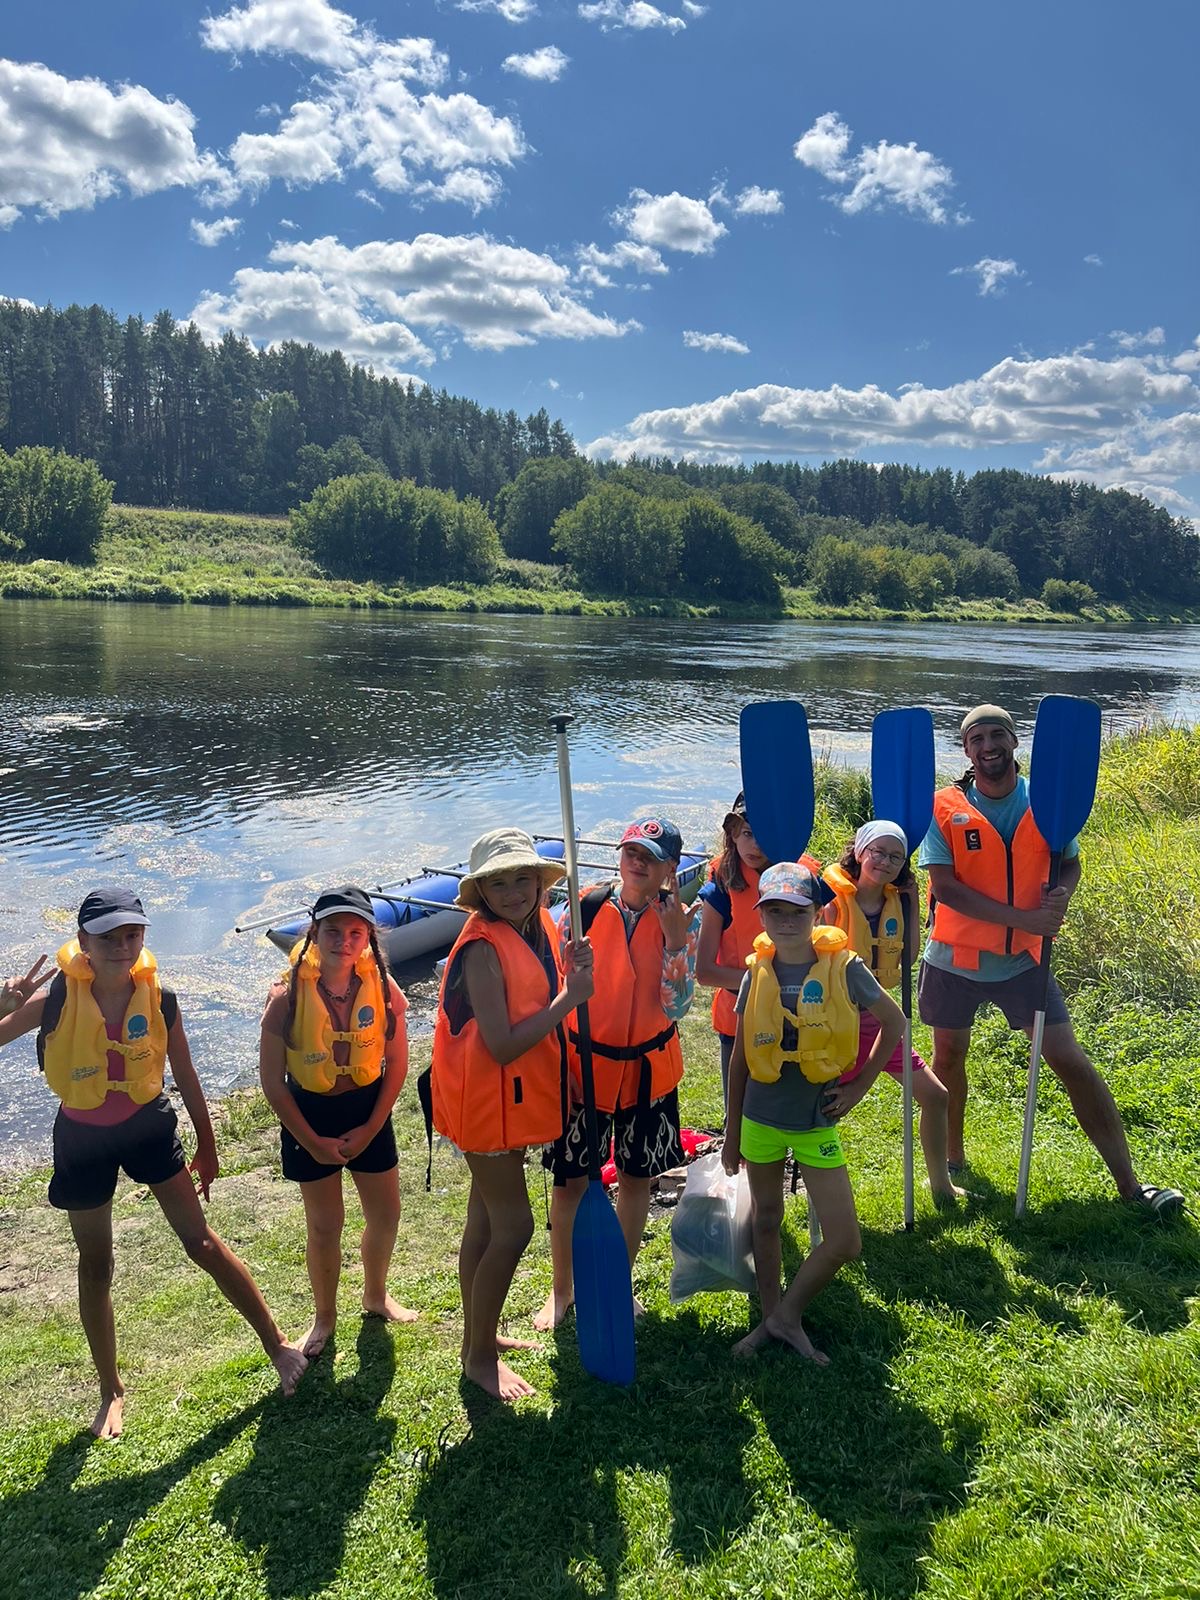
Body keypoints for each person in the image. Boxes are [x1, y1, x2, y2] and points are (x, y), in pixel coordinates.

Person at [0, 889, 307, 1439]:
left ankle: (278, 1345)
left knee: (202, 1243)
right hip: (82, 1140)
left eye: (132, 934)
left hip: (148, 1129)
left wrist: (207, 1145)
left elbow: (185, 1073)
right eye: (108, 937)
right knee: (96, 1265)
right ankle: (110, 1390)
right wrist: (4, 1004)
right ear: (84, 941)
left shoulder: (160, 997)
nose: (122, 946)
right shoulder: (53, 999)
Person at [917, 703, 1184, 1216]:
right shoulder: (942, 807)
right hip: (953, 959)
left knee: (1068, 1060)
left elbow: (1070, 862)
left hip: (1024, 962)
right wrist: (1023, 917)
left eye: (997, 735)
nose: (988, 746)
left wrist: (1061, 894)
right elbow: (946, 889)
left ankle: (1131, 1185)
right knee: (948, 1059)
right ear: (966, 750)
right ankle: (953, 1159)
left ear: (1014, 741)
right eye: (977, 738)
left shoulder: (1048, 801)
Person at [430, 829, 593, 1402]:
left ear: (540, 882)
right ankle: (478, 1358)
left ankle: (480, 1336)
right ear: (480, 893)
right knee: (515, 1227)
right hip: (485, 1103)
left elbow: (541, 986)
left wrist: (569, 966)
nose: (514, 891)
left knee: (483, 1220)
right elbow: (500, 1046)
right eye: (498, 884)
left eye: (524, 878)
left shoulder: (538, 923)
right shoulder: (480, 949)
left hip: (512, 1100)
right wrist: (569, 1000)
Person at [722, 863, 905, 1361]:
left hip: (815, 1122)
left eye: (797, 912)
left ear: (817, 914)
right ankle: (770, 1318)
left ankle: (787, 1314)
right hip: (759, 1120)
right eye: (775, 911)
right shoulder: (756, 971)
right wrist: (732, 1132)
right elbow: (740, 1058)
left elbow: (895, 1022)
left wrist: (859, 1087)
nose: (786, 921)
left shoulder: (845, 967)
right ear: (761, 916)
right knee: (766, 1220)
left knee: (845, 1240)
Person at [535, 817, 700, 1332]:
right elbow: (558, 984)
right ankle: (562, 1290)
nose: (638, 862)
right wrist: (571, 964)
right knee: (569, 1184)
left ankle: (616, 1283)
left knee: (635, 1179)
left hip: (648, 1072)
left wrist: (675, 943)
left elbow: (677, 1007)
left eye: (651, 856)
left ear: (671, 869)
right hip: (584, 1068)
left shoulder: (683, 920)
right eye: (632, 851)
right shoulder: (583, 907)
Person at [259, 884, 414, 1360]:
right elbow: (272, 1082)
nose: (343, 941)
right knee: (326, 1225)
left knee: (385, 1215)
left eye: (354, 933)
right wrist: (311, 1141)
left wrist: (372, 1127)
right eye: (332, 930)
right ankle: (324, 1315)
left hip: (368, 1109)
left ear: (367, 937)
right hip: (310, 1114)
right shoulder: (286, 997)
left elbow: (397, 1063)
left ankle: (375, 1295)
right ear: (314, 932)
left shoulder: (383, 988)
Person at [823, 821, 964, 1203]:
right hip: (834, 1022)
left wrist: (913, 903)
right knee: (819, 1108)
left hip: (879, 1019)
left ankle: (942, 1187)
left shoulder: (897, 901)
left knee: (936, 1096)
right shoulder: (830, 900)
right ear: (859, 852)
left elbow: (908, 958)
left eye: (896, 857)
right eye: (878, 852)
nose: (885, 862)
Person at [697, 792, 826, 1109]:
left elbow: (827, 946)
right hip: (740, 1021)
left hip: (800, 1017)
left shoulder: (806, 881)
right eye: (748, 834)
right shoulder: (721, 887)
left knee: (795, 1110)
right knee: (740, 1111)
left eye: (766, 835)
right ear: (733, 833)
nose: (755, 845)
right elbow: (705, 972)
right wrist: (768, 982)